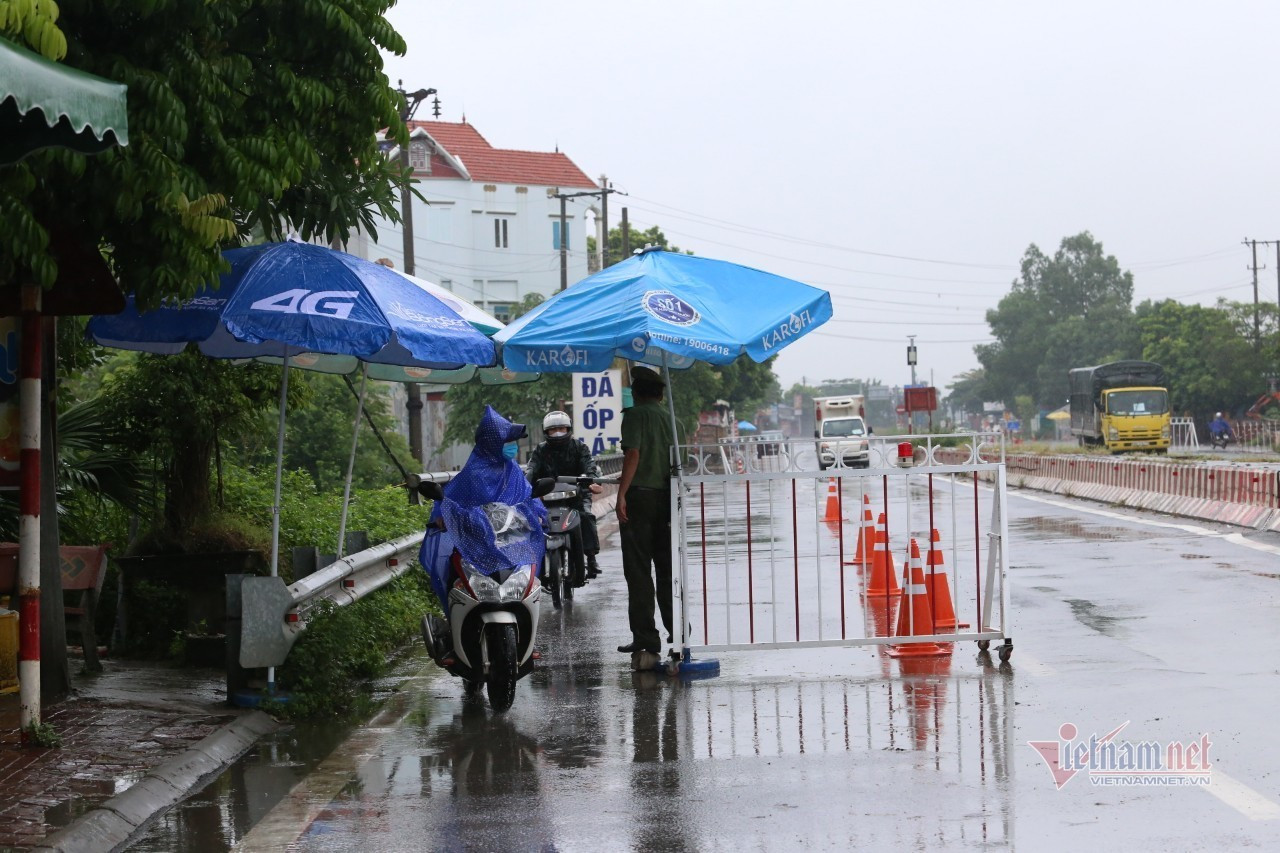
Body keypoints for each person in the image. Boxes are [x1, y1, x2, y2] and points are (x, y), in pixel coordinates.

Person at [616, 365, 675, 656]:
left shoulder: (635, 416)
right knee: (667, 569)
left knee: (639, 570)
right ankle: (678, 631)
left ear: (636, 393)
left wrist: (621, 494)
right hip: (668, 498)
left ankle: (646, 638)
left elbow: (633, 454)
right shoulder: (673, 420)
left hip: (640, 499)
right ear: (660, 395)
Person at [526, 410, 604, 581]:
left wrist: (591, 481)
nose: (557, 433)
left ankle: (591, 558)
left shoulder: (579, 447)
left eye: (561, 428)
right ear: (546, 431)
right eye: (553, 429)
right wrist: (525, 484)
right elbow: (531, 469)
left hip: (577, 494)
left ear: (568, 429)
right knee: (531, 522)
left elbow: (589, 466)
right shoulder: (540, 450)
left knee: (585, 516)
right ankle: (532, 564)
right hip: (548, 496)